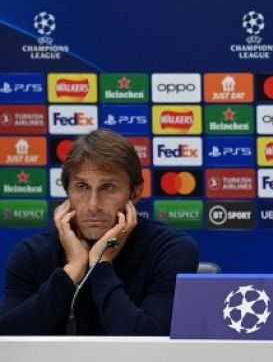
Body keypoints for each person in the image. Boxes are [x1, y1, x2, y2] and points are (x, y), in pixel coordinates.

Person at [0, 129, 199, 335]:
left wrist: (101, 262)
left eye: (108, 188)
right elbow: (8, 340)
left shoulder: (170, 249)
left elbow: (148, 342)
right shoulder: (32, 253)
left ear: (136, 192)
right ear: (67, 191)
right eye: (82, 187)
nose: (94, 205)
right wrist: (71, 271)